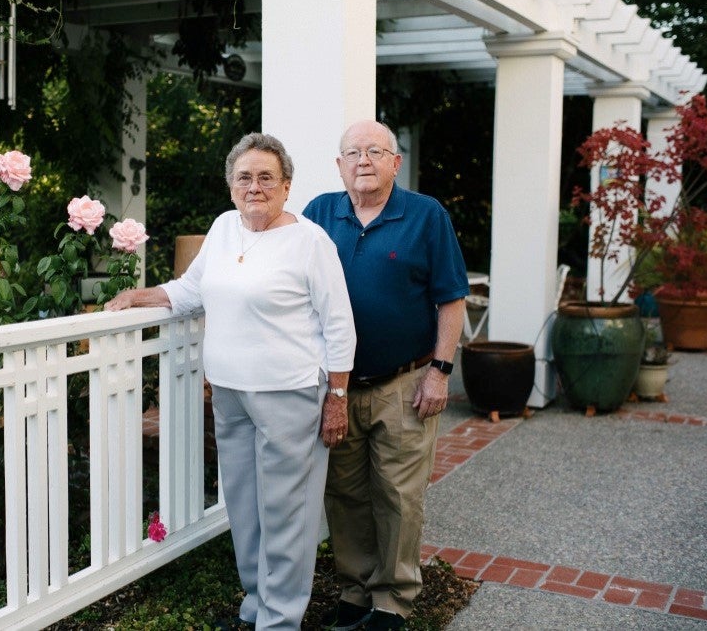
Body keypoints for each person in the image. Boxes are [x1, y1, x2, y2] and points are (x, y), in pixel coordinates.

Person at [105, 133, 356, 630]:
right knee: (243, 506)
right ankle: (257, 605)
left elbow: (339, 324)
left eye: (267, 177)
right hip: (230, 393)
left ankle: (280, 620)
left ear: (286, 186)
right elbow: (191, 290)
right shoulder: (223, 229)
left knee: (287, 514)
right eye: (245, 177)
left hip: (291, 392)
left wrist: (338, 396)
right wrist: (142, 296)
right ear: (230, 186)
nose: (255, 186)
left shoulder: (310, 241)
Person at [303, 120, 469, 630]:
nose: (363, 161)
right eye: (352, 152)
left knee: (398, 494)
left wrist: (440, 372)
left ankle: (393, 600)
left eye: (375, 151)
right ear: (339, 165)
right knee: (345, 491)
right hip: (339, 386)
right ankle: (356, 589)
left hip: (405, 383)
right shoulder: (317, 214)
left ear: (395, 162)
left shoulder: (425, 216)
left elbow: (451, 298)